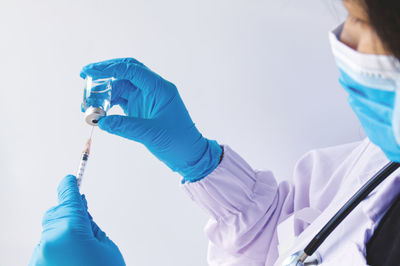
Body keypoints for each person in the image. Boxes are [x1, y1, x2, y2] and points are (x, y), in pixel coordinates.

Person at [29, 0, 400, 265]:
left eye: (359, 18)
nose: (343, 35)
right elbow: (302, 238)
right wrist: (204, 165)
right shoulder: (383, 158)